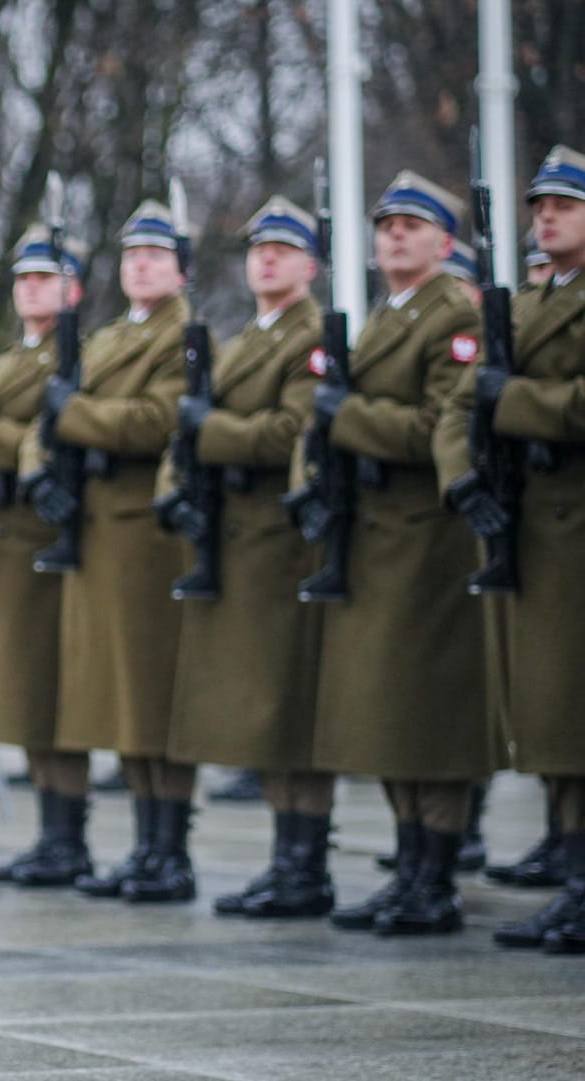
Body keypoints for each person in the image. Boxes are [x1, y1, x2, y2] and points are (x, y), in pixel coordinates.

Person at [307, 171, 492, 937]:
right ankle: (408, 863)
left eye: (411, 228)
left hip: (429, 539)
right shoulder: (388, 313)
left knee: (430, 718)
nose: (393, 238)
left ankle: (436, 873)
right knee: (387, 712)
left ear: (445, 243)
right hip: (381, 537)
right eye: (385, 227)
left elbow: (435, 425)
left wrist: (348, 416)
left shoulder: (453, 312)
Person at [159, 197, 332, 919]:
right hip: (237, 543)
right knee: (261, 712)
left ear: (309, 265)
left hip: (280, 543)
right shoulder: (242, 339)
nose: (266, 258)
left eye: (283, 250)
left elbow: (291, 431)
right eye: (258, 248)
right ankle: (283, 858)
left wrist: (212, 431)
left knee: (287, 708)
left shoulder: (312, 336)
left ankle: (304, 864)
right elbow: (190, 428)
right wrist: (178, 481)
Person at [22, 201, 196, 904]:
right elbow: (48, 411)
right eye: (130, 256)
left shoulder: (181, 334)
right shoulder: (106, 338)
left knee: (152, 697)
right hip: (98, 530)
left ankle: (169, 848)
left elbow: (159, 420)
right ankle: (143, 845)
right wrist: (41, 465)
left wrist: (74, 417)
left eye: (154, 255)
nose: (140, 265)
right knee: (121, 699)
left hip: (145, 534)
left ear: (180, 268)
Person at [435, 145, 585, 953]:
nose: (547, 216)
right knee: (553, 720)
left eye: (564, 204)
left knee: (577, 712)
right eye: (539, 205)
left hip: (576, 530)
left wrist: (516, 401)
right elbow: (459, 407)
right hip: (524, 528)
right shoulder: (523, 306)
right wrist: (463, 480)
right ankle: (573, 880)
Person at [0, 227, 94, 888]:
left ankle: (67, 834)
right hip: (5, 539)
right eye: (22, 279)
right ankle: (51, 833)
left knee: (50, 691)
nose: (31, 288)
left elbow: (38, 435)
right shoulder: (11, 358)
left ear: (72, 288)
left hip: (44, 533)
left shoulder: (74, 354)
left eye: (45, 278)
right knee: (24, 692)